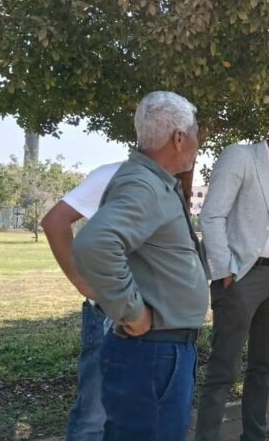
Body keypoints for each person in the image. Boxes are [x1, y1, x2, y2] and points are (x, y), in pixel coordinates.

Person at [72, 91, 207, 440]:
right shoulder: (144, 183)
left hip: (159, 352)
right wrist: (131, 311)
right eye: (195, 132)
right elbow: (95, 243)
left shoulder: (154, 181)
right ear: (179, 138)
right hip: (152, 354)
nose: (198, 142)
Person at [195, 113, 269, 441]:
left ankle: (254, 436)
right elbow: (212, 215)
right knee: (223, 369)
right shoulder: (240, 157)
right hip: (242, 277)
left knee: (263, 367)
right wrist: (225, 270)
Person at [42, 162, 120, 440]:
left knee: (130, 412)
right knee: (93, 414)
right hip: (109, 312)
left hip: (151, 315)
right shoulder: (111, 175)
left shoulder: (168, 182)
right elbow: (55, 222)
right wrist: (79, 279)